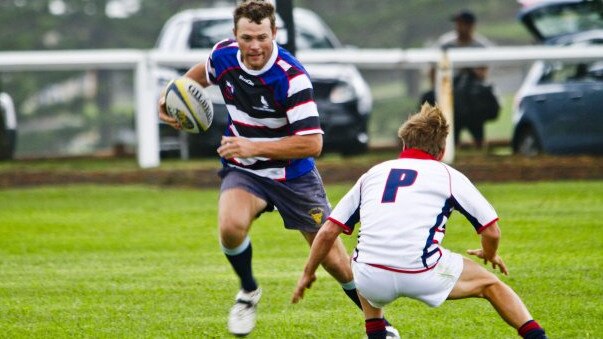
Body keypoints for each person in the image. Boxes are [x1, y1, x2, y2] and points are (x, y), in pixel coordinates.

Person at [158, 1, 399, 337]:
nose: (254, 45)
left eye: (261, 37)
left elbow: (312, 144)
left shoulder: (291, 77)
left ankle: (380, 326)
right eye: (246, 38)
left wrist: (252, 146)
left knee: (337, 264)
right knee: (230, 227)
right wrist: (175, 96)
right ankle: (248, 293)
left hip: (293, 176)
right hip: (244, 169)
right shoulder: (223, 56)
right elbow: (200, 75)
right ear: (235, 36)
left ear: (274, 33)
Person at [292, 103, 548, 339]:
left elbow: (327, 231)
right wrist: (489, 254)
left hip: (371, 278)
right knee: (491, 286)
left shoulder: (373, 174)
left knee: (365, 262)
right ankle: (538, 336)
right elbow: (491, 230)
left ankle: (378, 332)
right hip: (422, 272)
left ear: (404, 144)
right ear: (443, 149)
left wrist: (307, 273)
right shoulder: (449, 175)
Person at [420, 10, 497, 149]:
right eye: (458, 24)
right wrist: (437, 89)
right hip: (449, 90)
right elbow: (433, 68)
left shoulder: (481, 45)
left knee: (476, 122)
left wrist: (469, 71)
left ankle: (479, 147)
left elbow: (483, 73)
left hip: (472, 96)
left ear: (471, 25)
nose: (459, 27)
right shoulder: (445, 43)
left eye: (462, 24)